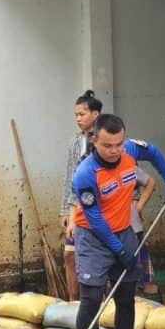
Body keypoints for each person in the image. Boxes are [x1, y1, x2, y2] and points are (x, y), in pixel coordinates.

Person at [72, 113, 165, 329]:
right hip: (93, 238)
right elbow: (96, 220)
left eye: (119, 145)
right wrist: (118, 250)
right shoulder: (85, 174)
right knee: (90, 298)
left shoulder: (130, 150)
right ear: (94, 142)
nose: (114, 151)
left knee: (125, 296)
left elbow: (153, 151)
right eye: (107, 146)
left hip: (125, 232)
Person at [61, 90, 102, 301]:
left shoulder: (107, 138)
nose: (78, 119)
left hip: (103, 207)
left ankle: (105, 304)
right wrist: (65, 210)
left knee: (102, 258)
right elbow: (71, 176)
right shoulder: (75, 143)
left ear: (95, 114)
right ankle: (73, 303)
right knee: (70, 254)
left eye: (82, 114)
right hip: (77, 207)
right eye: (76, 115)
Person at [130, 166, 161, 300]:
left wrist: (139, 206)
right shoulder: (90, 168)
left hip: (133, 229)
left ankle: (155, 305)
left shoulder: (127, 165)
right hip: (109, 233)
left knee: (147, 279)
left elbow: (150, 182)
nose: (113, 150)